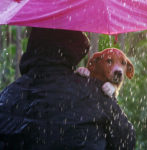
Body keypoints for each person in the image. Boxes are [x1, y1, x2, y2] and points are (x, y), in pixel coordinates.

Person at [0, 28, 135, 150]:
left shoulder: (6, 97)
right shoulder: (97, 93)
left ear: (32, 47)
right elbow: (126, 141)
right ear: (72, 49)